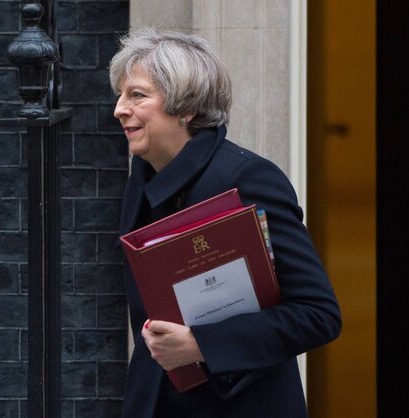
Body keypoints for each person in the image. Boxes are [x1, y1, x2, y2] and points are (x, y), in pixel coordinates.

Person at [110, 27, 342, 417]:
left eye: (137, 95)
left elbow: (317, 315)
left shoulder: (248, 178)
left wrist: (202, 343)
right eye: (120, 94)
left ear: (187, 107)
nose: (119, 108)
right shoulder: (144, 175)